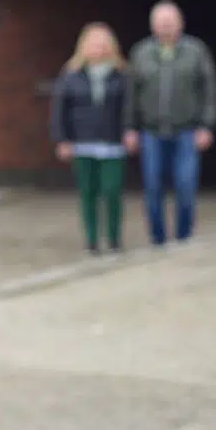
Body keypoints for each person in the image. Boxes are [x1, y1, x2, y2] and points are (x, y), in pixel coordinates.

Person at [122, 0, 216, 246]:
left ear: (180, 24)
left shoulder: (197, 51)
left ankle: (184, 235)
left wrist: (206, 126)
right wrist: (130, 128)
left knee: (185, 185)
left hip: (186, 130)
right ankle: (158, 238)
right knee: (153, 186)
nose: (166, 27)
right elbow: (131, 94)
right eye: (161, 23)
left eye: (170, 23)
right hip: (151, 131)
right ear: (152, 26)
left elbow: (209, 91)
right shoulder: (140, 53)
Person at [51, 22, 131, 255]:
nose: (98, 49)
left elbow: (129, 108)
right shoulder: (70, 75)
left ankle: (114, 239)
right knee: (88, 193)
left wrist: (130, 131)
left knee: (112, 190)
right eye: (94, 44)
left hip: (113, 142)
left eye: (103, 44)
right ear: (84, 47)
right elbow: (59, 110)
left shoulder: (122, 75)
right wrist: (62, 139)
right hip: (82, 141)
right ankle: (92, 240)